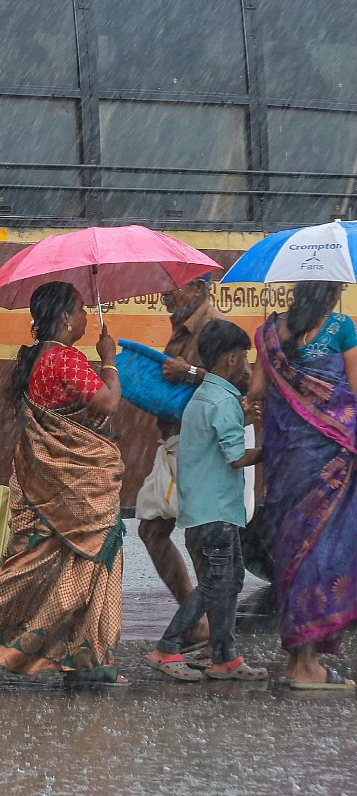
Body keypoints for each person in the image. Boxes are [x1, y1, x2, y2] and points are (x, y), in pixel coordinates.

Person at [0, 281, 127, 688]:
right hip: (70, 493)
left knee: (63, 569)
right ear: (65, 318)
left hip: (59, 491)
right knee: (32, 572)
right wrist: (110, 361)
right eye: (81, 309)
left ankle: (84, 661)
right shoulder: (63, 359)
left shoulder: (42, 358)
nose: (86, 317)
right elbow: (108, 402)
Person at [248, 280, 357, 689]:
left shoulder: (268, 334)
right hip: (329, 461)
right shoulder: (342, 327)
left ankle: (298, 661)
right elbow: (354, 394)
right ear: (333, 290)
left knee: (292, 553)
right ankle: (306, 665)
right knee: (324, 550)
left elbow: (256, 391)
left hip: (285, 463)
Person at [145, 321, 267, 682]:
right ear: (230, 359)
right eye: (244, 358)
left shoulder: (203, 398)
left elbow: (215, 440)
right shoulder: (223, 401)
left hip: (205, 512)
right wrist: (273, 450)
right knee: (217, 581)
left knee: (231, 579)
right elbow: (235, 457)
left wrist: (241, 418)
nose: (246, 366)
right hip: (217, 514)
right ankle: (167, 647)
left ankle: (224, 656)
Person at [135, 275, 226, 644]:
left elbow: (239, 383)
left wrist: (189, 373)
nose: (164, 293)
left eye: (175, 286)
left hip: (202, 446)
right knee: (153, 530)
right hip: (177, 441)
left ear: (199, 288)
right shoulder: (183, 326)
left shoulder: (214, 326)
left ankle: (214, 634)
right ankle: (200, 623)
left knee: (199, 539)